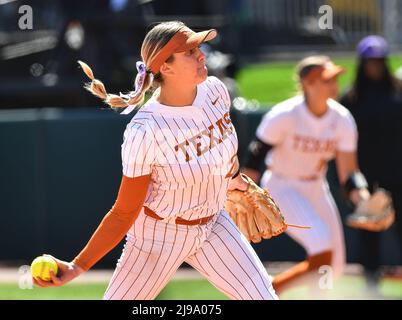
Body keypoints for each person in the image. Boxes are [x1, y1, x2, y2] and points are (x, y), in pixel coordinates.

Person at [32, 21, 278, 300]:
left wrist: (235, 182)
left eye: (199, 47)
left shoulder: (216, 91)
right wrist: (79, 265)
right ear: (166, 67)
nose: (201, 55)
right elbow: (124, 212)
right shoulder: (145, 130)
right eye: (190, 52)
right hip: (159, 236)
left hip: (213, 225)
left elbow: (225, 157)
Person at [242, 55, 371, 295]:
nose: (334, 84)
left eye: (335, 79)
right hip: (282, 186)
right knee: (321, 245)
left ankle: (278, 291)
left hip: (316, 187)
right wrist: (242, 198)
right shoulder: (284, 115)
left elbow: (349, 172)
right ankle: (269, 291)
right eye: (326, 80)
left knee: (335, 264)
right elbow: (253, 162)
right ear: (308, 84)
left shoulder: (342, 119)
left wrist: (363, 199)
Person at [340, 35, 402, 291]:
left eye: (379, 61)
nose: (374, 66)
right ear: (362, 63)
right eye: (369, 61)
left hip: (398, 173)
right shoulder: (351, 98)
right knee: (369, 231)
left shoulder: (398, 92)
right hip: (366, 176)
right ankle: (371, 286)